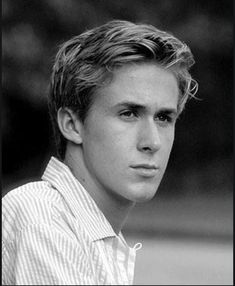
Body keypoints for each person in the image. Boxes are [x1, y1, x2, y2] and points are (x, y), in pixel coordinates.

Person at [2, 20, 198, 285]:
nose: (152, 142)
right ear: (72, 125)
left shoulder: (92, 236)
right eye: (129, 113)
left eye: (164, 117)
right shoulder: (42, 218)